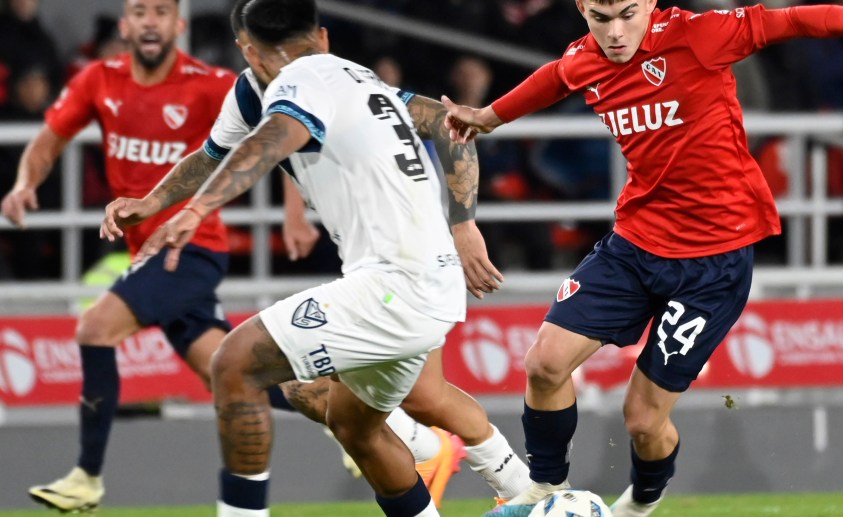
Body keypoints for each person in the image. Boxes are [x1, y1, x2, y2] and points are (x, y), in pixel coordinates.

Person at [440, 1, 843, 516]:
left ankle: (642, 501)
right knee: (544, 365)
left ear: (650, 4)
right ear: (582, 10)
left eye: (627, 14)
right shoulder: (585, 58)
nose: (615, 32)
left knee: (642, 420)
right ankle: (546, 490)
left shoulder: (700, 35)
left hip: (713, 262)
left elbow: (786, 21)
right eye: (600, 18)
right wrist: (488, 117)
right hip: (635, 245)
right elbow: (553, 78)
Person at [101, 0, 528, 514]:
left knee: (235, 363)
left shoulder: (304, 79)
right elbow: (446, 120)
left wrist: (198, 210)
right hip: (416, 278)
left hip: (396, 282)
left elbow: (277, 136)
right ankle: (512, 483)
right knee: (349, 418)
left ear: (249, 50)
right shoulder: (338, 79)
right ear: (321, 36)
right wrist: (153, 202)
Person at [0, 0, 266, 512]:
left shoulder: (211, 84)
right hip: (147, 254)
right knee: (229, 372)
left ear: (178, 25)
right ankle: (348, 412)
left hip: (191, 249)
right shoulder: (99, 79)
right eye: (140, 11)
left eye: (161, 11)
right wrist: (24, 184)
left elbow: (280, 130)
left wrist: (296, 212)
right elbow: (50, 139)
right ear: (125, 24)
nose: (149, 21)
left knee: (94, 329)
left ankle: (86, 478)